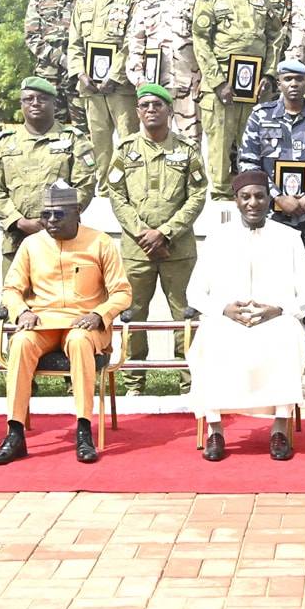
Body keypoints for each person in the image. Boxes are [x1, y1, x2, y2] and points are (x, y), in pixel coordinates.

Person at [0, 180, 132, 465]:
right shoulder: (32, 245)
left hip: (85, 325)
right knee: (19, 342)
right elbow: (11, 290)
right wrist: (21, 312)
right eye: (46, 215)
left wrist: (99, 314)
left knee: (80, 343)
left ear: (78, 211)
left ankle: (83, 430)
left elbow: (122, 292)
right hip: (42, 324)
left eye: (59, 214)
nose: (51, 221)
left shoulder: (100, 241)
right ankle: (15, 432)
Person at [185, 171, 305, 462]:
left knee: (286, 336)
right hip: (227, 321)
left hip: (274, 319)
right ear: (236, 201)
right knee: (208, 340)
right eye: (246, 197)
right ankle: (215, 431)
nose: (253, 203)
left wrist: (279, 309)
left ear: (270, 199)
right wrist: (223, 309)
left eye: (259, 196)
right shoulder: (217, 238)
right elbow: (194, 294)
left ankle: (279, 429)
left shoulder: (289, 238)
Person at [236, 62, 305, 382]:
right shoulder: (261, 116)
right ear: (279, 83)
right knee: (273, 286)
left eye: (299, 79)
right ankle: (274, 358)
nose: (293, 84)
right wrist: (275, 197)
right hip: (274, 218)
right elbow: (248, 163)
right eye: (287, 79)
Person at [97, 84, 208, 389]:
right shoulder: (125, 150)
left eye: (157, 105)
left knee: (186, 316)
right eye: (144, 105)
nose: (150, 110)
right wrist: (142, 232)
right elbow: (116, 194)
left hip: (178, 250)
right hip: (137, 250)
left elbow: (198, 195)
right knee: (133, 316)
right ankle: (134, 382)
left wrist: (166, 233)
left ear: (170, 112)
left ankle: (191, 383)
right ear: (137, 112)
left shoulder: (186, 151)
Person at [0, 77, 94, 274]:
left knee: (64, 301)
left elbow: (84, 186)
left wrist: (55, 221)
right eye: (29, 99)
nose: (35, 103)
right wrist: (18, 221)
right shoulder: (4, 143)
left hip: (62, 240)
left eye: (42, 98)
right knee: (15, 301)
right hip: (17, 239)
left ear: (54, 103)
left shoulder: (74, 140)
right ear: (22, 104)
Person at [194, 0, 274, 192]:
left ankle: (252, 200)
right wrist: (218, 83)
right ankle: (220, 198)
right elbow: (201, 42)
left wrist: (269, 75)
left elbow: (275, 38)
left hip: (255, 88)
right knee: (220, 148)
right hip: (221, 88)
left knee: (253, 147)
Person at [127, 0, 202, 145]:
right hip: (154, 87)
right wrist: (139, 80)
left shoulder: (199, 1)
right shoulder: (145, 2)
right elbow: (135, 43)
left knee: (191, 144)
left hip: (190, 85)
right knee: (153, 143)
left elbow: (205, 45)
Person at [74, 0, 139, 177]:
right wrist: (81, 75)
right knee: (98, 140)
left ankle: (131, 183)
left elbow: (132, 41)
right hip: (91, 86)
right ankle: (102, 186)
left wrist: (114, 76)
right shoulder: (84, 0)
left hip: (120, 86)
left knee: (128, 138)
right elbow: (75, 42)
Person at [25, 0, 86, 136]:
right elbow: (32, 38)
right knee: (48, 129)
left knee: (84, 130)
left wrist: (77, 64)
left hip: (81, 76)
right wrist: (62, 59)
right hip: (49, 76)